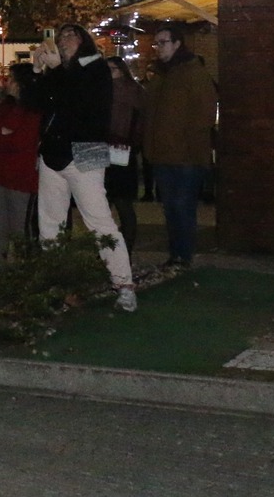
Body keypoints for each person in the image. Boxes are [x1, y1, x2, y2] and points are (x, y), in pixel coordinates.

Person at [29, 24, 136, 308]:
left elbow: (79, 100)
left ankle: (124, 282)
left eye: (70, 36)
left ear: (84, 41)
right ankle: (55, 284)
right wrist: (38, 71)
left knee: (99, 220)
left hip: (87, 150)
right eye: (60, 36)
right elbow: (34, 104)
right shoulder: (60, 71)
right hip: (53, 153)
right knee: (50, 223)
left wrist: (56, 71)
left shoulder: (96, 68)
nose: (63, 41)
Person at [142, 22, 217, 270]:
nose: (158, 48)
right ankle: (176, 254)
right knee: (171, 208)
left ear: (177, 44)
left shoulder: (193, 73)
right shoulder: (161, 75)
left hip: (186, 157)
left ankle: (183, 256)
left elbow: (204, 114)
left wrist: (188, 143)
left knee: (182, 207)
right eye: (156, 43)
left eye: (163, 43)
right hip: (163, 154)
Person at [0, 63, 41, 258]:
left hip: (20, 178)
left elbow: (21, 141)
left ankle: (24, 275)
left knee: (20, 231)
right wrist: (1, 133)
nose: (7, 82)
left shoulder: (33, 109)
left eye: (12, 79)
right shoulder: (2, 105)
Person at [104, 56, 146, 251]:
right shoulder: (137, 91)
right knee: (121, 203)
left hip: (113, 148)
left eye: (111, 70)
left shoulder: (115, 92)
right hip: (124, 151)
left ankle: (111, 248)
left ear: (121, 70)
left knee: (110, 202)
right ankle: (123, 247)